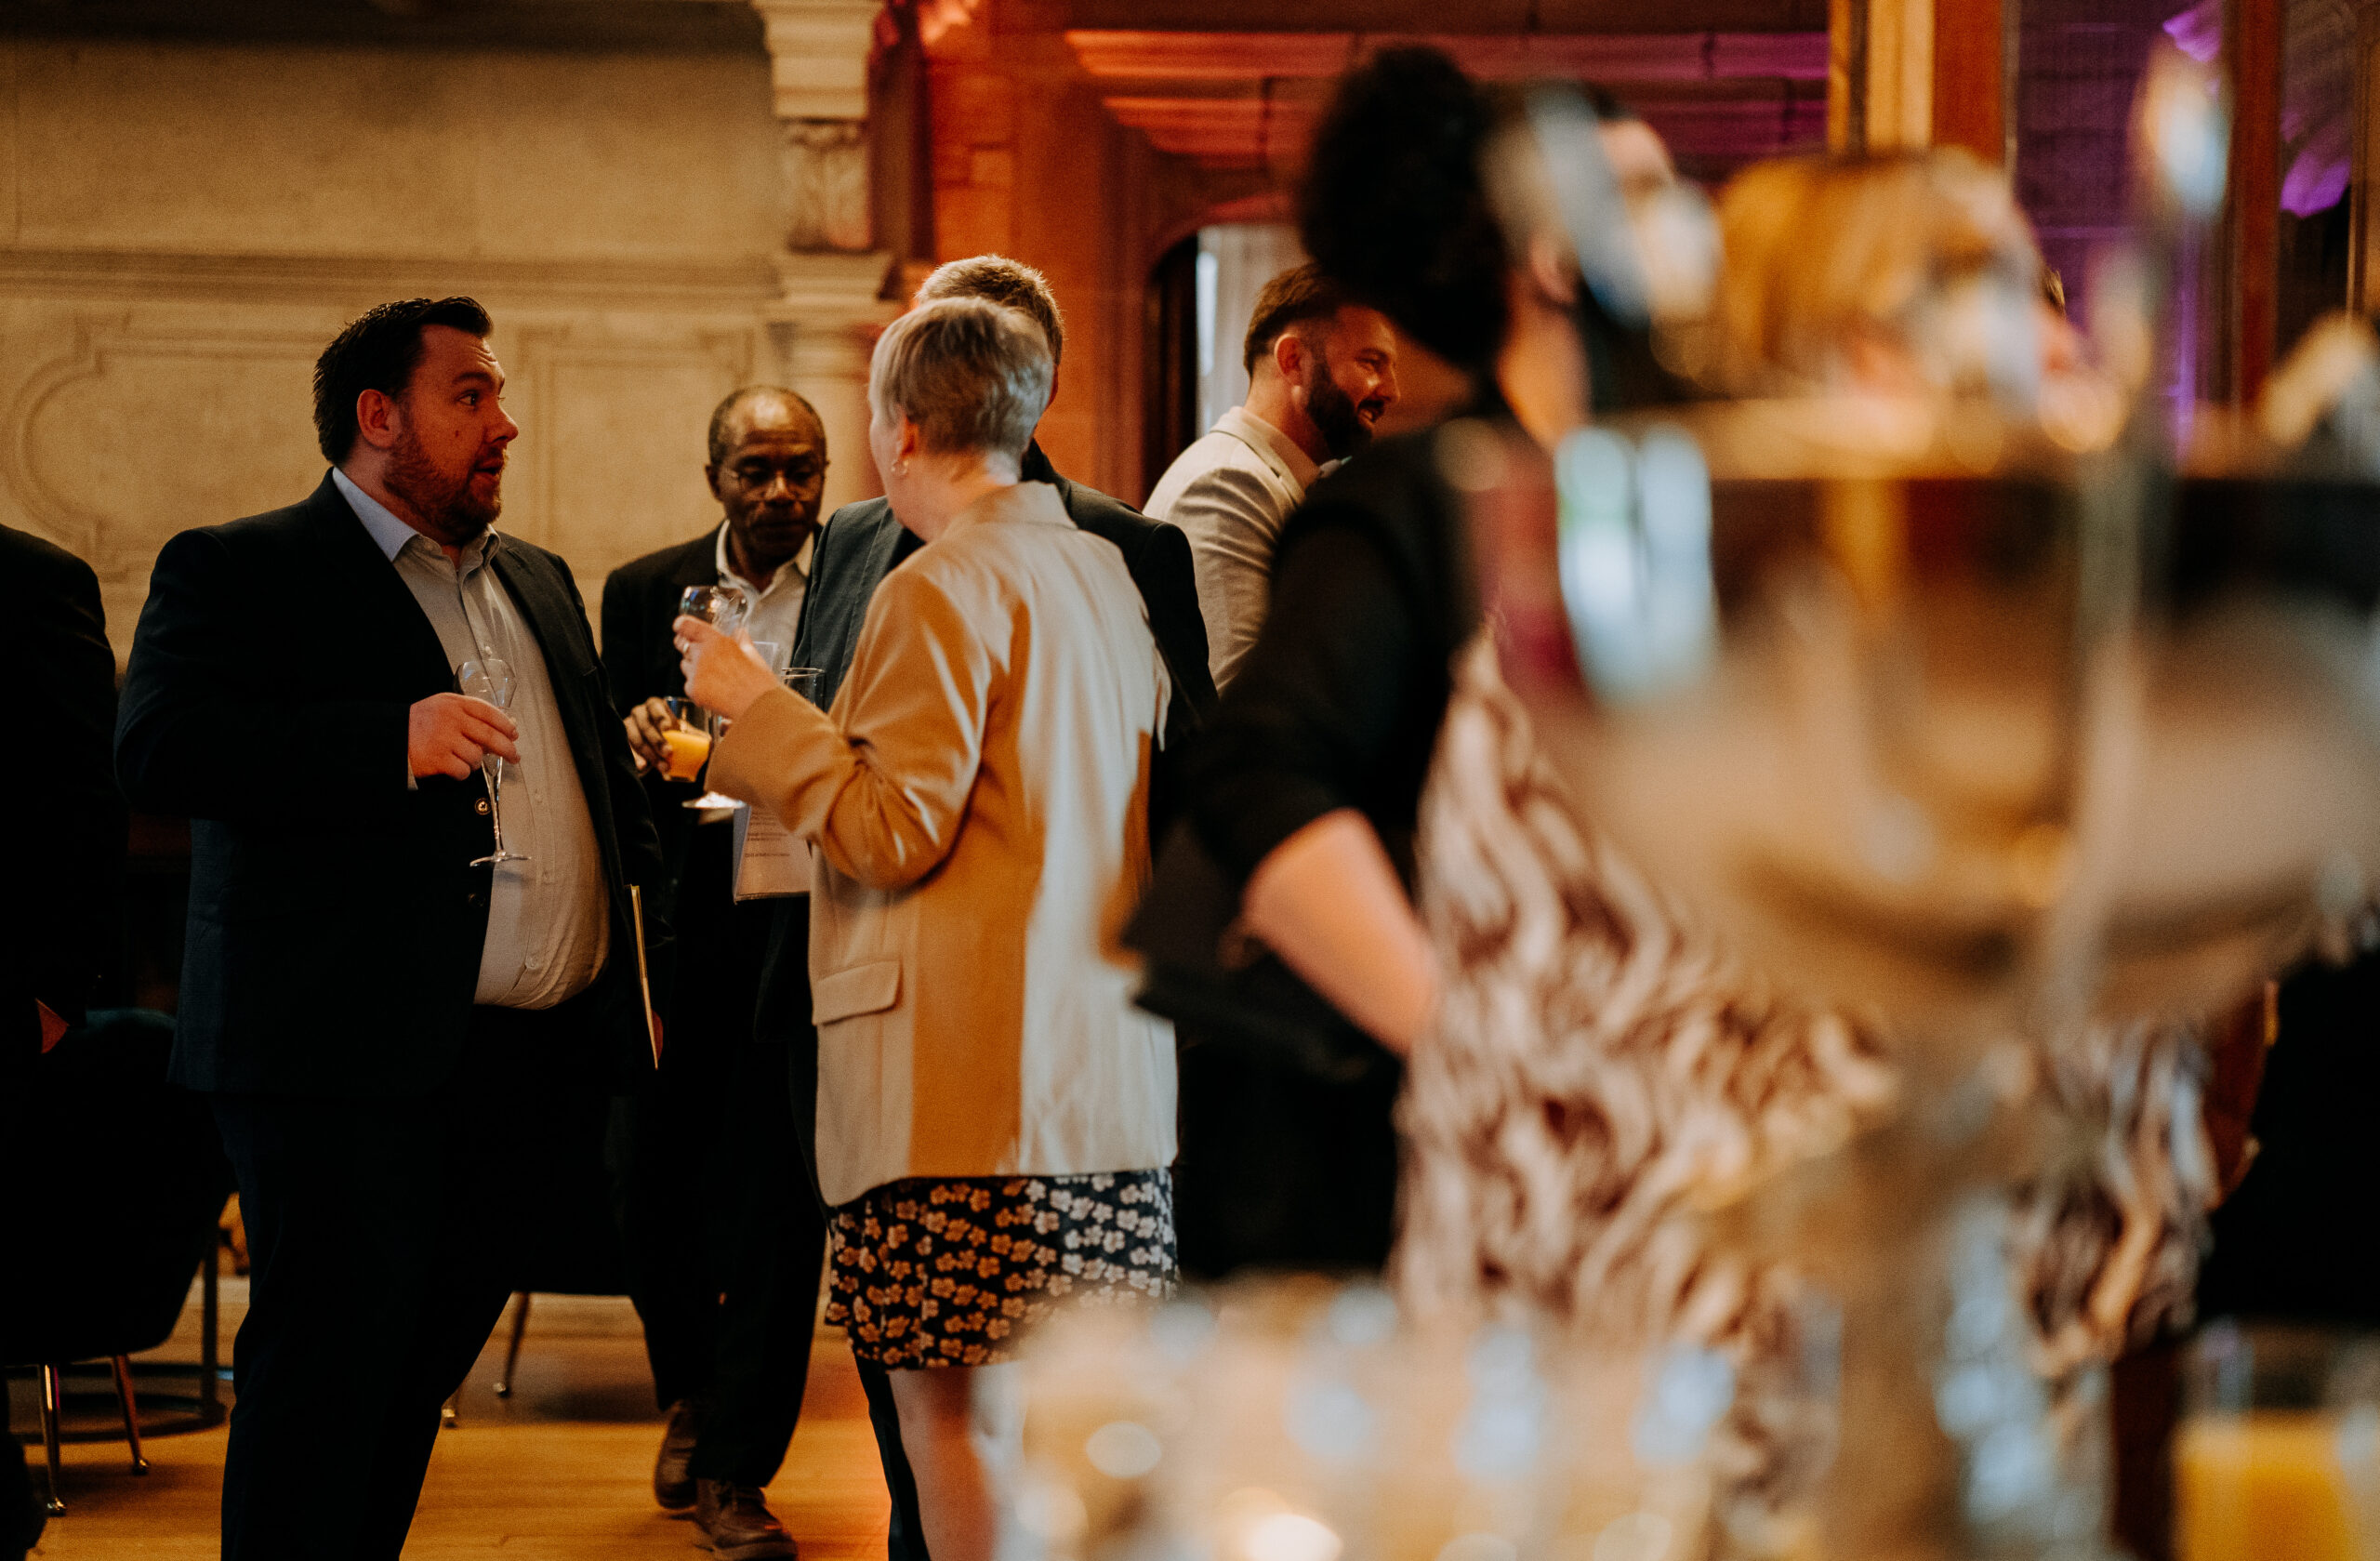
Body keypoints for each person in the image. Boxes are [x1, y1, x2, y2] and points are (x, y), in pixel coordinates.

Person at [114, 296, 669, 1561]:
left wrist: (642, 979)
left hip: (520, 1066)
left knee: (410, 1378)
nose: (504, 422)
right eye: (468, 394)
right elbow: (157, 749)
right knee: (323, 1379)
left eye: (499, 392)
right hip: (332, 1062)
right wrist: (383, 740)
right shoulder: (242, 567)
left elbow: (595, 790)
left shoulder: (535, 576)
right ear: (379, 416)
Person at [681, 296, 1177, 1561]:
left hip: (964, 1094)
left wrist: (756, 711)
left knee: (952, 1418)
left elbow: (891, 829)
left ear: (899, 427)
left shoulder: (937, 585)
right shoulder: (1103, 572)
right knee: (1060, 1433)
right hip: (1102, 1082)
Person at [599, 386, 831, 1558]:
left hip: (803, 920)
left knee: (783, 1202)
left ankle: (737, 1464)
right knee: (651, 1184)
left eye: (801, 469)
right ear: (716, 478)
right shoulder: (647, 589)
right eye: (758, 470)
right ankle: (687, 1387)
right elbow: (613, 760)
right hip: (686, 926)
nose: (782, 492)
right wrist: (641, 734)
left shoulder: (860, 586)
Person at [1144, 263, 1398, 688]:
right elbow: (1238, 700)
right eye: (1371, 362)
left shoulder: (1276, 479)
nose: (1392, 390)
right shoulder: (1226, 484)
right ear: (1294, 360)